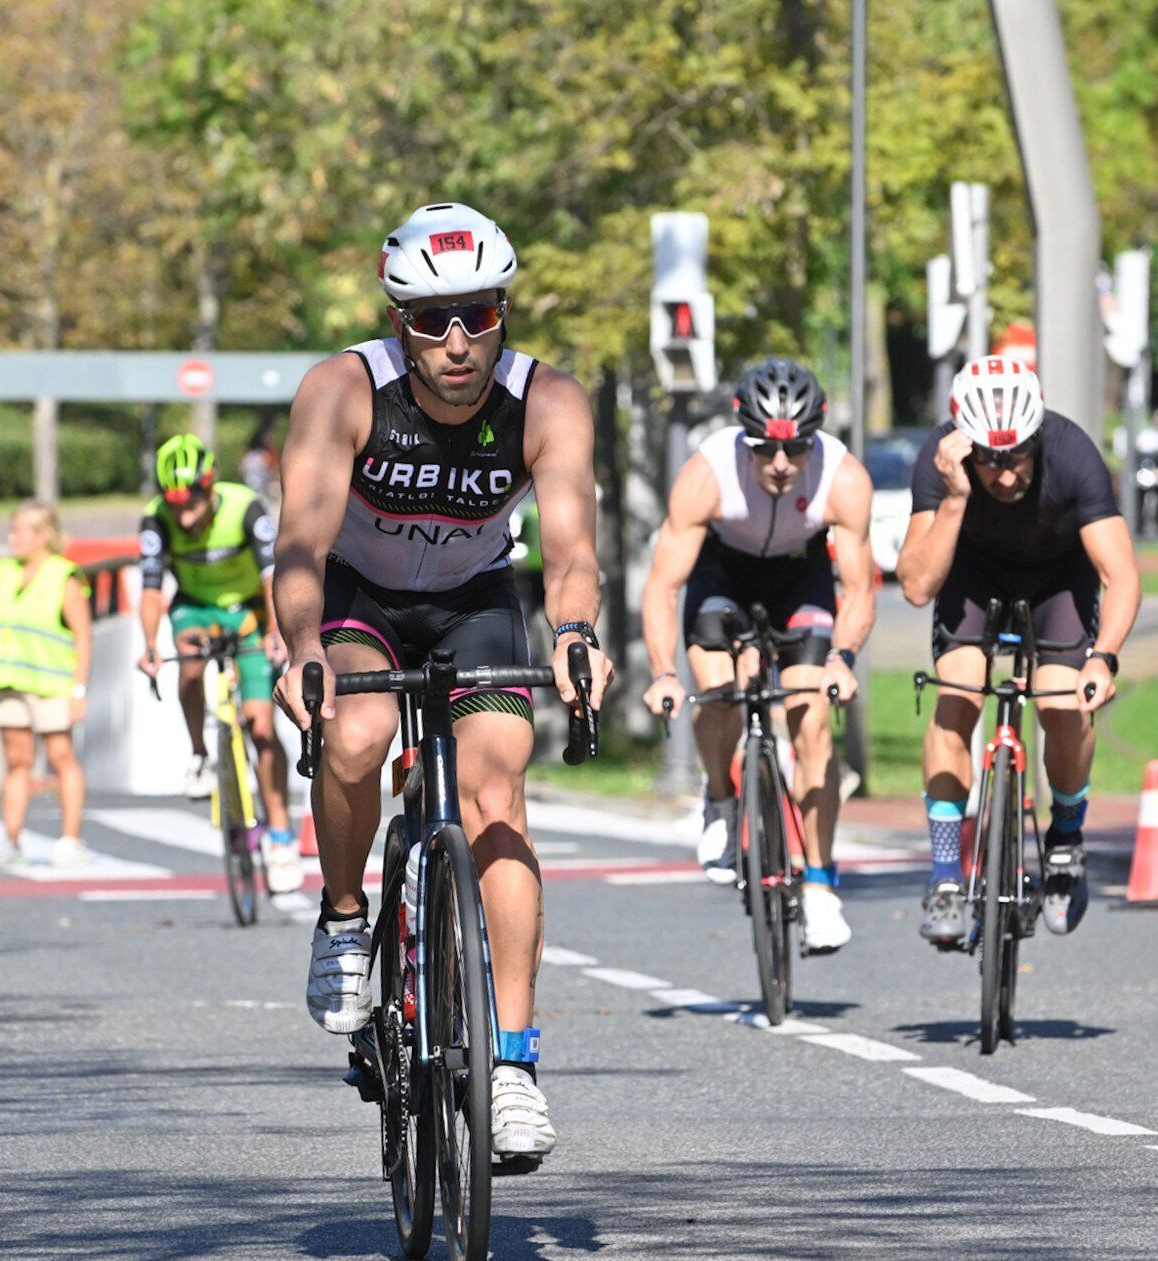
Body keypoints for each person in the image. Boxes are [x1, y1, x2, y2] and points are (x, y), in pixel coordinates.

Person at [274, 202, 617, 1161]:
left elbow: (571, 550)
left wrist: (577, 630)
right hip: (358, 597)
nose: (459, 340)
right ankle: (346, 919)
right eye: (433, 319)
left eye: (479, 313)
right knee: (356, 733)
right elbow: (300, 538)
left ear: (505, 311)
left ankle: (512, 1063)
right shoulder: (343, 390)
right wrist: (301, 645)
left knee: (497, 788)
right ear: (400, 325)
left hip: (474, 598)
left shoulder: (548, 402)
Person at [896, 356, 1141, 945]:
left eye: (1018, 457)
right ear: (963, 445)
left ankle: (1065, 840)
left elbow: (1123, 574)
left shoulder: (1073, 452)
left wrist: (1102, 659)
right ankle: (948, 876)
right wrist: (955, 499)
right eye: (988, 459)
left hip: (1059, 577)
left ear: (1036, 438)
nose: (1005, 476)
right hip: (973, 575)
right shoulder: (940, 460)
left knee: (1064, 704)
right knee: (956, 694)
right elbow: (916, 585)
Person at [638, 358, 876, 952]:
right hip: (725, 576)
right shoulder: (707, 473)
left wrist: (843, 658)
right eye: (764, 450)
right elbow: (663, 585)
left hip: (801, 579)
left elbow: (861, 589)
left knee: (811, 713)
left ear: (812, 441)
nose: (778, 465)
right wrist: (664, 671)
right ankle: (719, 797)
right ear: (742, 436)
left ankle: (819, 885)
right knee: (717, 693)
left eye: (795, 451)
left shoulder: (842, 477)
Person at [137, 433, 302, 896]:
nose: (185, 517)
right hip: (195, 607)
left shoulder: (245, 506)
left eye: (193, 505)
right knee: (187, 658)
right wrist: (150, 644)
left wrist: (276, 632)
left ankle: (281, 837)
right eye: (176, 508)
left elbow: (275, 576)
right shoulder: (156, 518)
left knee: (261, 727)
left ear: (210, 489)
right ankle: (199, 755)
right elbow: (151, 589)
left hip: (249, 608)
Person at [0, 502, 91, 871]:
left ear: (43, 535)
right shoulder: (4, 571)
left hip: (52, 685)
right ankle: (11, 840)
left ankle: (70, 840)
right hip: (9, 682)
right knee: (16, 762)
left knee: (61, 757)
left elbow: (82, 635)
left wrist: (78, 690)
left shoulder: (63, 575)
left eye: (19, 531)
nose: (12, 538)